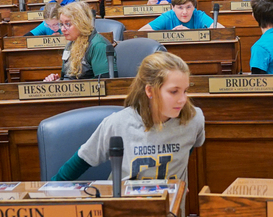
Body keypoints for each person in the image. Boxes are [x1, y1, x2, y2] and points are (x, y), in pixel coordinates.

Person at [51, 52, 205, 185]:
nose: (183, 99)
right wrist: (47, 193)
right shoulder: (117, 123)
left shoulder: (194, 119)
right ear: (150, 90)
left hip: (171, 214)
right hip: (124, 211)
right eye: (174, 92)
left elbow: (188, 147)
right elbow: (79, 163)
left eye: (185, 91)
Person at [42, 1, 110, 82]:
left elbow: (104, 84)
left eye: (67, 24)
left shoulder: (98, 45)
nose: (63, 29)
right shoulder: (70, 45)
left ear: (81, 23)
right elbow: (67, 78)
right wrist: (57, 82)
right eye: (61, 24)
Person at [138, 0, 223, 31]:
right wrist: (170, 35)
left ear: (194, 7)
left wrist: (190, 34)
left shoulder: (198, 15)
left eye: (189, 7)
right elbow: (141, 32)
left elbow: (221, 30)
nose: (185, 12)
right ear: (173, 8)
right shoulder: (168, 16)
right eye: (180, 8)